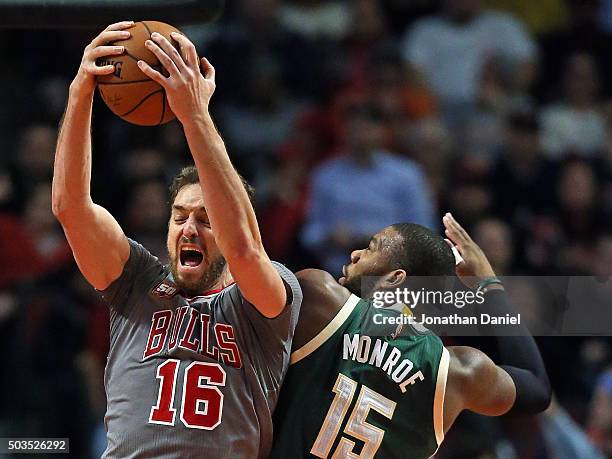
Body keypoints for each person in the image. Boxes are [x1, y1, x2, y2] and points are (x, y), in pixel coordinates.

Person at [51, 22, 302, 458]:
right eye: (180, 216)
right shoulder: (138, 283)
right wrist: (81, 93)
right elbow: (71, 207)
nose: (189, 229)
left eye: (207, 221)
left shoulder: (265, 302)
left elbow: (243, 247)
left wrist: (194, 115)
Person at [271, 213, 551, 458]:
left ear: (395, 278)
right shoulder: (457, 371)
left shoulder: (320, 296)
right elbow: (536, 387)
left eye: (371, 248)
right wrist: (489, 284)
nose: (355, 254)